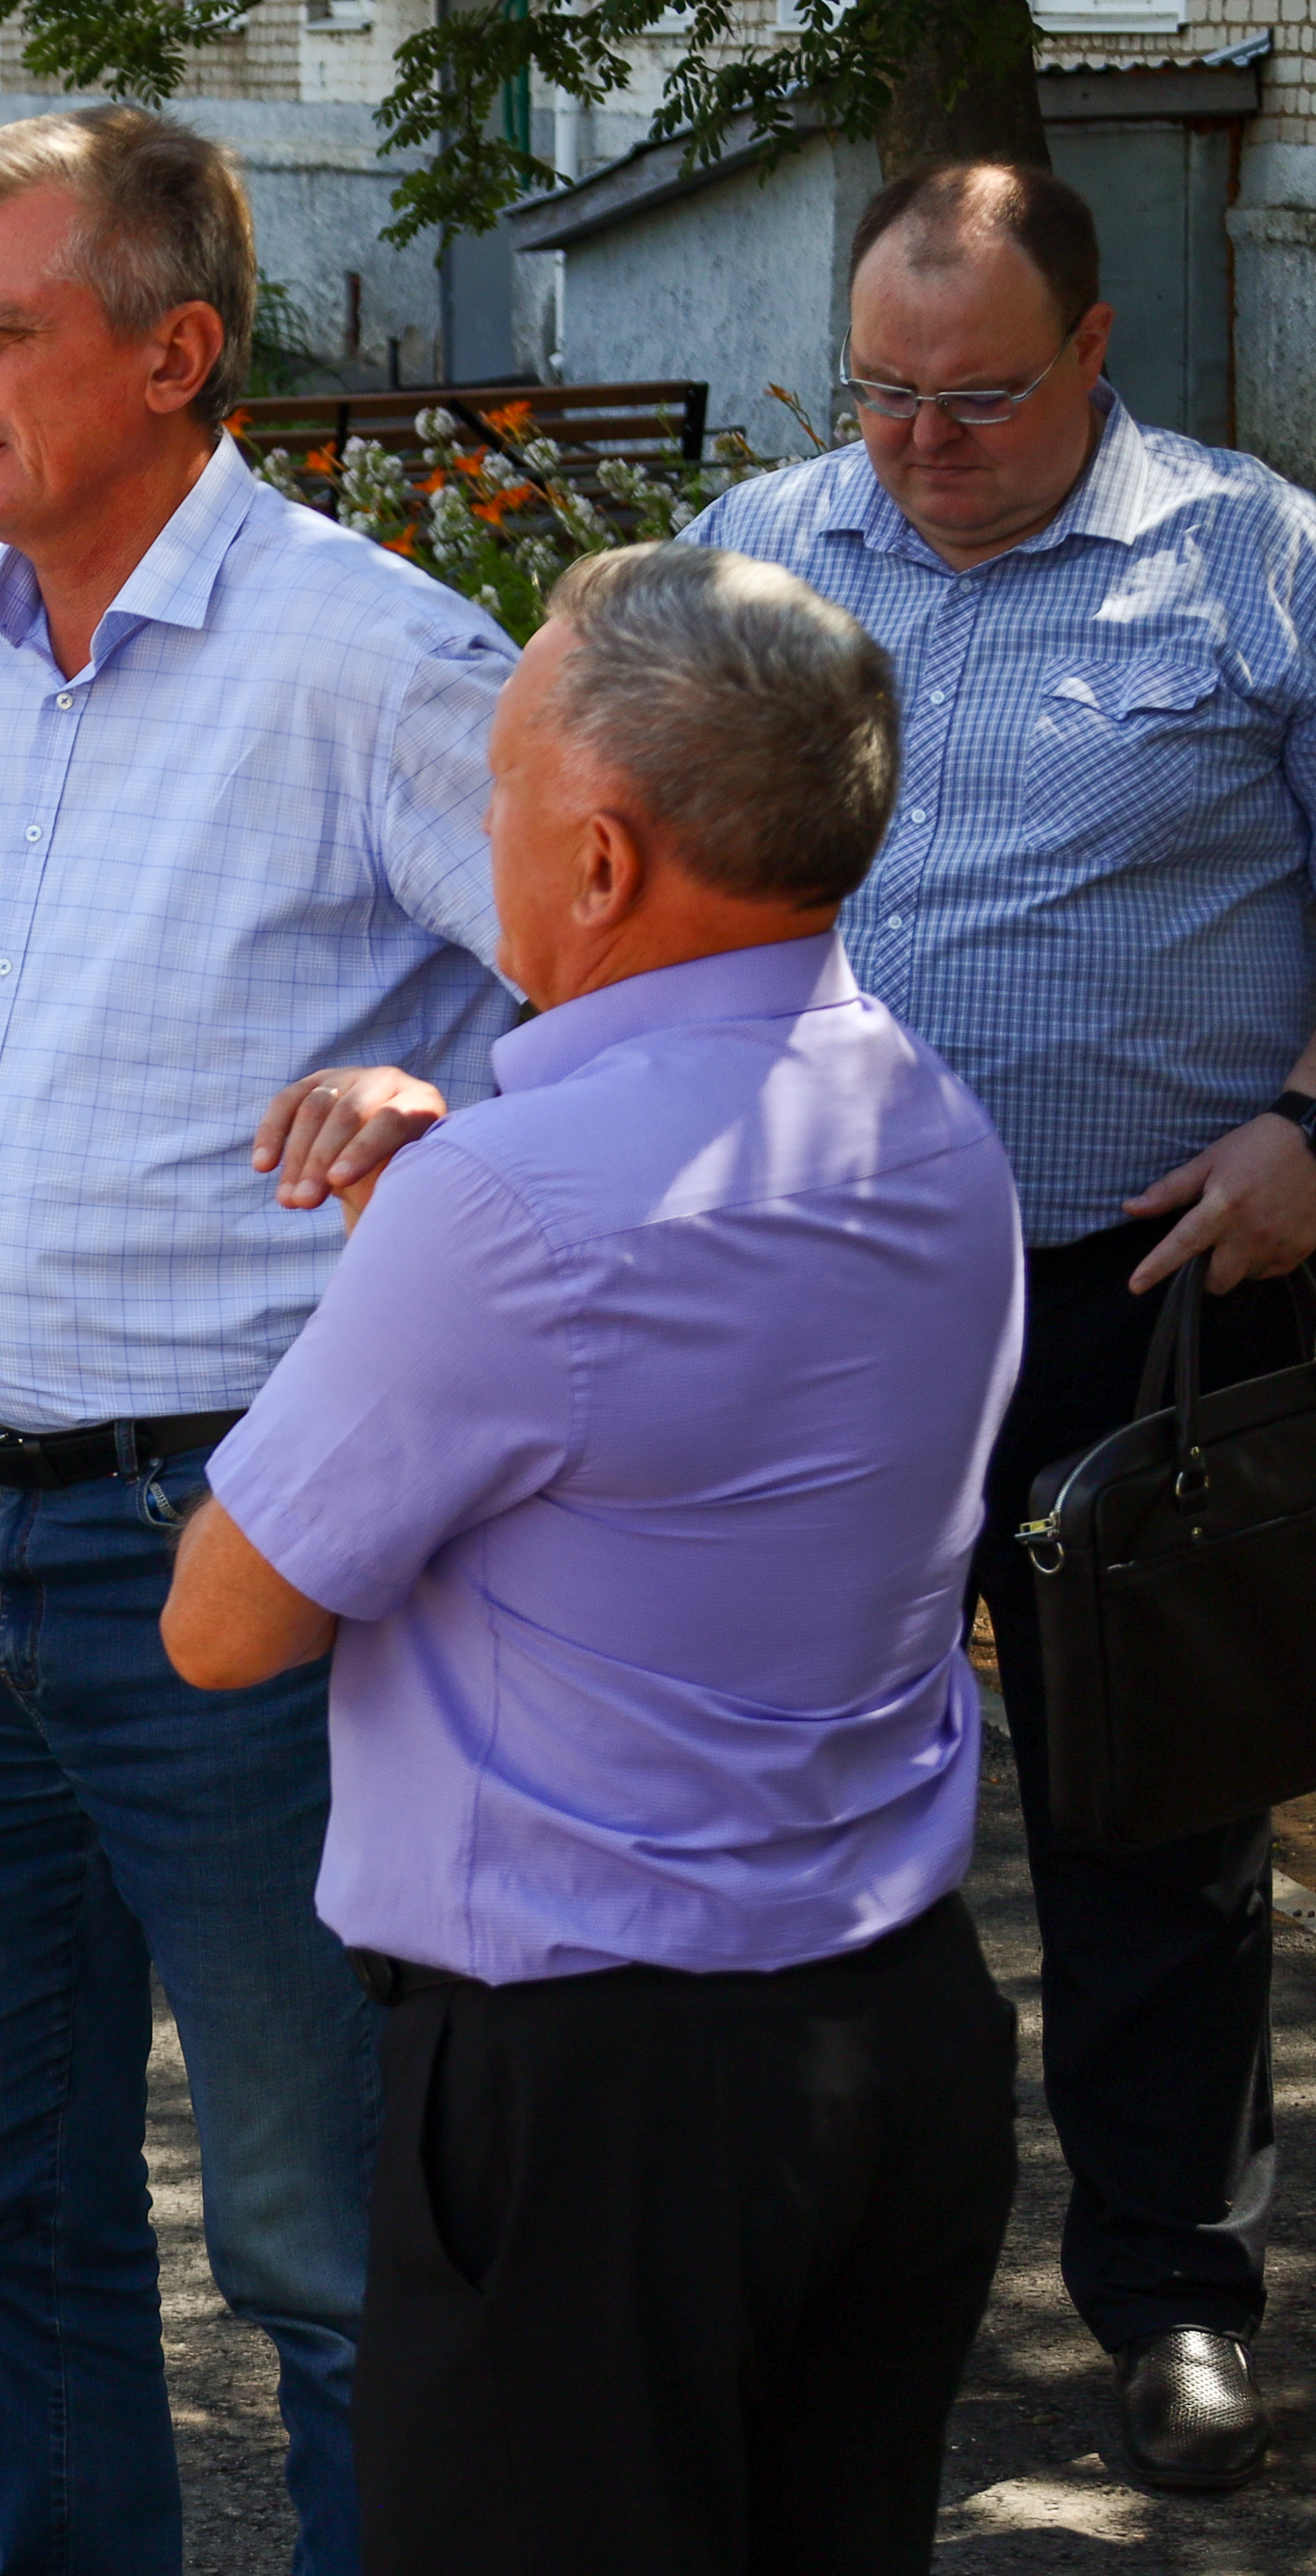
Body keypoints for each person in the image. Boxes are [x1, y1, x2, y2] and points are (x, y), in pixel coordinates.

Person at [0, 106, 522, 2572]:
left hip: (240, 1534)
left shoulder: (379, 659)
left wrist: (449, 1103)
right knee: (0, 2182)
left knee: (322, 2232)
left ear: (173, 351)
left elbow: (652, 1002)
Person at [166, 542, 1026, 2572]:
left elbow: (223, 1620)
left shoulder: (503, 1205)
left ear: (605, 856)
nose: (481, 825)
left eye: (497, 785)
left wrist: (402, 1255)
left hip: (599, 2092)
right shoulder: (930, 1116)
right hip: (889, 2030)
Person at [686, 159, 1316, 2492]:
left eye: (971, 397)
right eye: (876, 389)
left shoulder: (1254, 561)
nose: (915, 443)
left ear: (1092, 350)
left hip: (1146, 1292)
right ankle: (812, 2265)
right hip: (811, 1293)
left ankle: (1172, 2292)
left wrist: (1307, 1129)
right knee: (793, 1792)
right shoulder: (755, 552)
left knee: (1148, 1812)